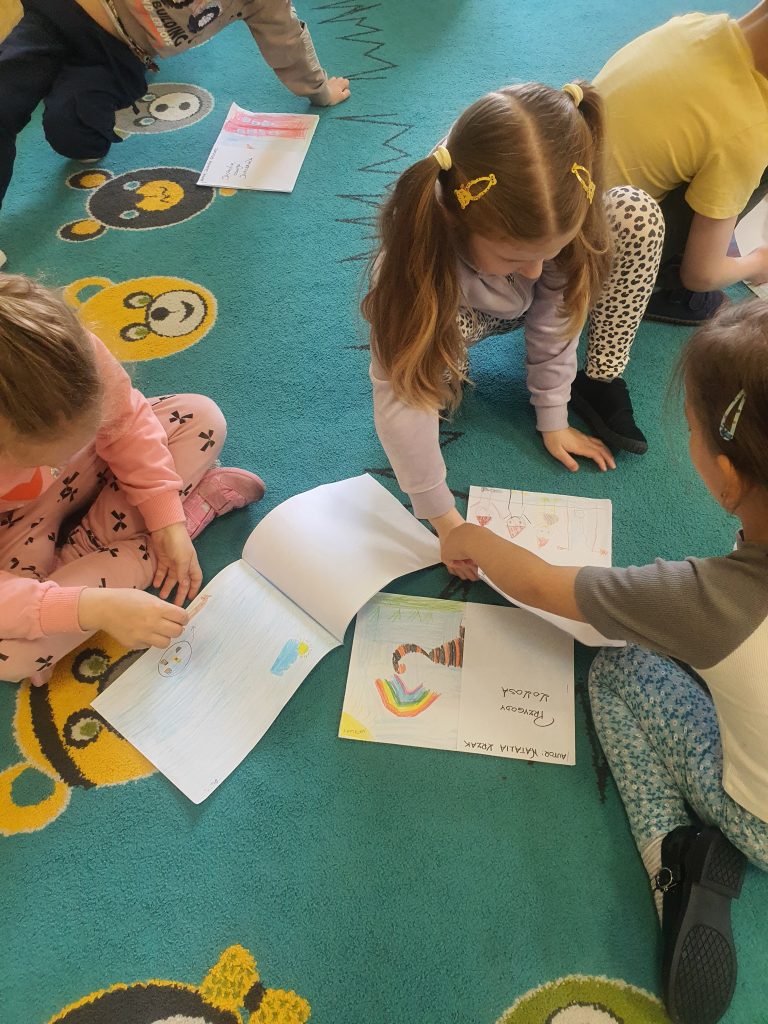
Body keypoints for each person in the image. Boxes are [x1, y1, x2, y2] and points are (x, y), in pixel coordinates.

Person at [442, 299, 768, 1024]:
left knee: (620, 667)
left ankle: (671, 856)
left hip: (759, 819)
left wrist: (470, 535)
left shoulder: (702, 598)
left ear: (726, 477)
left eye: (689, 430)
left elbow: (541, 586)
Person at [362, 81, 664, 570]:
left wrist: (554, 415)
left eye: (548, 253)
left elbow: (556, 313)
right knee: (421, 371)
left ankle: (600, 377)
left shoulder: (554, 201)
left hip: (504, 277)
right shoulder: (411, 263)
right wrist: (444, 519)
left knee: (634, 214)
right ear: (458, 224)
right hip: (458, 301)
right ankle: (444, 363)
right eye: (515, 257)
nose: (536, 271)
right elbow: (399, 394)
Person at [0, 273, 265, 685]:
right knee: (9, 658)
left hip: (83, 468)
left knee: (200, 418)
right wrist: (93, 608)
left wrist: (167, 521)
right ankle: (107, 565)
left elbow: (126, 423)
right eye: (38, 456)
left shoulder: (59, 350)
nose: (53, 464)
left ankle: (81, 566)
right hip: (12, 532)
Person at [0, 0, 351, 219]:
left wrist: (319, 90)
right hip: (58, 12)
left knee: (74, 131)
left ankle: (63, 94)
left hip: (117, 54)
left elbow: (286, 39)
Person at [595, 2, 768, 325]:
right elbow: (701, 275)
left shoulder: (689, 26)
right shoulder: (750, 129)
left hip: (559, 196)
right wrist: (759, 262)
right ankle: (654, 285)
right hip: (588, 259)